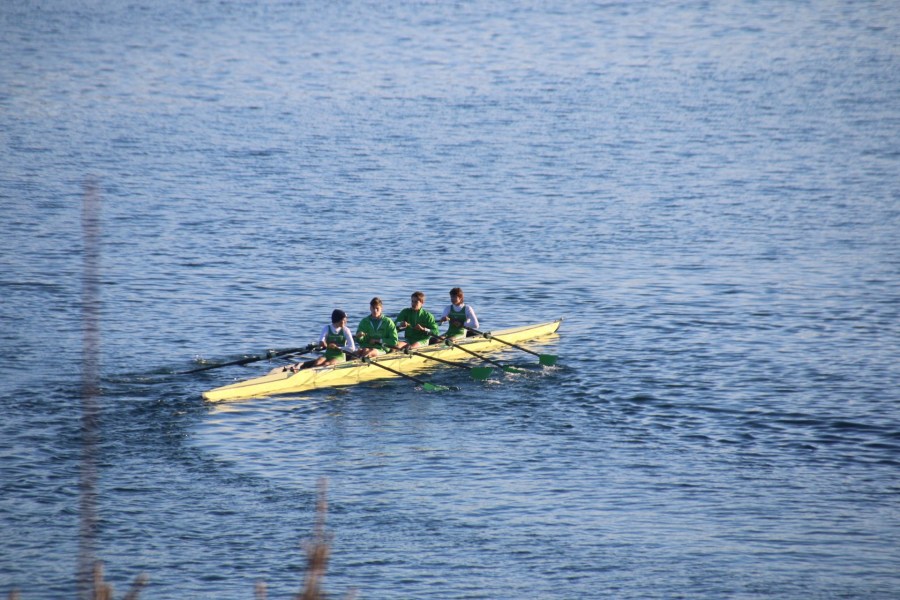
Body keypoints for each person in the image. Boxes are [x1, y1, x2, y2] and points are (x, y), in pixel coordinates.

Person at [273, 309, 356, 373]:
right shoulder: (327, 328)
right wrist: (323, 343)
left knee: (326, 364)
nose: (346, 321)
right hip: (328, 354)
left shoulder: (346, 330)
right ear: (338, 320)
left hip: (339, 356)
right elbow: (321, 341)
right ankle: (305, 372)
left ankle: (305, 373)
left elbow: (352, 348)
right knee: (317, 362)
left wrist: (338, 348)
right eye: (344, 319)